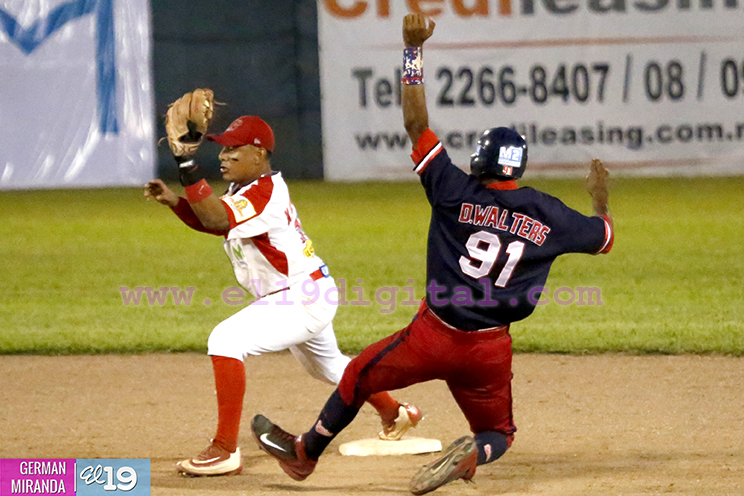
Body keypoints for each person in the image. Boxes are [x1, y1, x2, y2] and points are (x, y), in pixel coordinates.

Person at [250, 13, 614, 495]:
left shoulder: (452, 188)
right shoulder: (550, 214)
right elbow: (605, 237)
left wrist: (412, 50)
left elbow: (415, 123)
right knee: (499, 433)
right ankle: (475, 454)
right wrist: (598, 200)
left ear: (480, 160)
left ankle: (305, 455)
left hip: (433, 335)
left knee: (358, 375)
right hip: (489, 349)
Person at [144, 109, 422, 477]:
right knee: (328, 366)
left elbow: (215, 218)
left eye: (233, 150)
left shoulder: (264, 193)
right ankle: (396, 413)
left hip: (300, 296)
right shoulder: (246, 190)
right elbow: (215, 222)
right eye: (222, 149)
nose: (224, 156)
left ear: (259, 153)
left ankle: (225, 449)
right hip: (305, 290)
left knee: (225, 339)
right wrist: (176, 202)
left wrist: (186, 164)